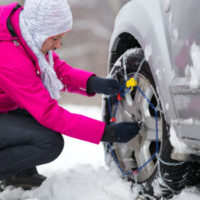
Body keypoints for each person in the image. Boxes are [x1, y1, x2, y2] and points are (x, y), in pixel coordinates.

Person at [0, 0, 140, 190]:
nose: (58, 45)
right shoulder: (9, 56)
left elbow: (55, 70)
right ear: (38, 31)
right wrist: (107, 133)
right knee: (49, 143)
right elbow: (49, 114)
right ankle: (13, 171)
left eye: (61, 39)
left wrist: (94, 83)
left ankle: (18, 173)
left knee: (31, 117)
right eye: (55, 38)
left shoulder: (22, 33)